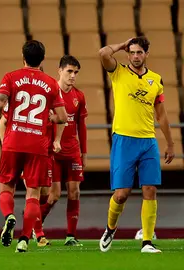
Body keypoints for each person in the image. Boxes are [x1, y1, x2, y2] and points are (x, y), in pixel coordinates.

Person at [0, 40, 67, 253]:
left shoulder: (11, 77)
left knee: (6, 187)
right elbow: (62, 117)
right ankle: (24, 240)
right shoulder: (51, 83)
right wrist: (48, 115)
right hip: (38, 145)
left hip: (13, 141)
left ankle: (9, 216)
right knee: (33, 193)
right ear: (42, 60)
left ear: (23, 57)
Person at [98, 36, 174, 253]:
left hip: (148, 141)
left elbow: (161, 114)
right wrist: (122, 45)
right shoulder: (118, 72)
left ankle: (147, 242)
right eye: (131, 52)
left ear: (146, 54)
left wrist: (170, 143)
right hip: (124, 140)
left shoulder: (156, 80)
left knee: (150, 189)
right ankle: (111, 228)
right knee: (121, 194)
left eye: (139, 52)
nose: (135, 56)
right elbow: (103, 53)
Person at [38, 55, 88, 246]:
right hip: (53, 152)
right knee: (54, 195)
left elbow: (81, 127)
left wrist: (84, 153)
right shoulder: (49, 93)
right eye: (69, 71)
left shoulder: (79, 96)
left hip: (72, 151)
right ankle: (37, 227)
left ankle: (71, 236)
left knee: (74, 192)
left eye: (76, 72)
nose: (73, 76)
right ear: (59, 71)